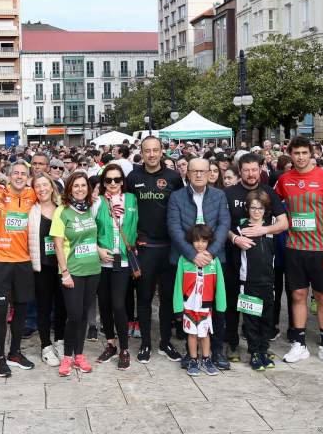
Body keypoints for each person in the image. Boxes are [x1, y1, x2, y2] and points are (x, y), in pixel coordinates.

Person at [275, 136, 323, 367]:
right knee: (297, 296)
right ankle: (300, 344)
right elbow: (273, 203)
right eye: (296, 153)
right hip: (295, 249)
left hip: (321, 250)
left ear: (312, 153)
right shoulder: (284, 180)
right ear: (290, 155)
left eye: (305, 153)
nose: (301, 157)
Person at [167, 158, 232, 369]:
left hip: (213, 259)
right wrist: (192, 254)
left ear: (209, 173)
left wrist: (210, 253)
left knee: (215, 307)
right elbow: (174, 227)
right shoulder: (177, 197)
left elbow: (224, 224)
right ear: (187, 173)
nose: (198, 175)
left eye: (202, 171)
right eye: (194, 171)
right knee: (189, 308)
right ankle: (191, 353)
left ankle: (217, 351)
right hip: (186, 260)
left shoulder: (219, 196)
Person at [126, 136, 185, 364]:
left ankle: (165, 342)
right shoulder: (133, 177)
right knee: (144, 297)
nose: (151, 154)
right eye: (147, 150)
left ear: (162, 151)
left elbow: (181, 209)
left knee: (168, 298)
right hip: (144, 247)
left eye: (155, 150)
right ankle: (145, 344)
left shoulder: (173, 177)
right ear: (141, 152)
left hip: (169, 247)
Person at [225, 153, 289, 361]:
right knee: (233, 303)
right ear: (239, 171)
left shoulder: (269, 192)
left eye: (255, 170)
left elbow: (283, 223)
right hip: (234, 257)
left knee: (261, 307)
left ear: (260, 169)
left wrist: (263, 229)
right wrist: (235, 239)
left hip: (262, 262)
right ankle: (232, 344)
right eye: (246, 170)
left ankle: (259, 345)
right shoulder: (229, 193)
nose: (251, 174)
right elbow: (221, 224)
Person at [0, 160, 38, 376]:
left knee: (21, 310)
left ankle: (15, 352)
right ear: (8, 175)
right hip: (0, 261)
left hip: (23, 262)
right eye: (15, 173)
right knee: (0, 312)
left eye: (22, 174)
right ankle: (0, 357)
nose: (18, 176)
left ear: (27, 177)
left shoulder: (32, 195)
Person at [51, 171, 101, 377]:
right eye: (76, 186)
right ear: (69, 188)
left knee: (82, 316)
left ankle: (79, 355)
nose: (80, 189)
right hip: (72, 271)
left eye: (83, 185)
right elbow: (58, 245)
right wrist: (65, 273)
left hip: (93, 269)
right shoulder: (62, 211)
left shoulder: (91, 208)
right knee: (73, 316)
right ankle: (66, 357)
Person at [91, 163, 138, 370]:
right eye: (108, 180)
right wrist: (97, 249)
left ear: (122, 181)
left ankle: (125, 348)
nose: (112, 184)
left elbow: (136, 226)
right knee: (105, 304)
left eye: (117, 179)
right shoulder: (97, 202)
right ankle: (110, 343)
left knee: (119, 304)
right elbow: (88, 230)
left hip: (124, 260)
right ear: (103, 182)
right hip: (102, 260)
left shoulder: (131, 200)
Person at [235, 191, 278, 371]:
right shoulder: (241, 227)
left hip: (268, 282)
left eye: (260, 208)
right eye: (253, 208)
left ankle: (263, 350)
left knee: (267, 318)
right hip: (248, 282)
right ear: (247, 208)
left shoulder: (271, 226)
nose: (256, 211)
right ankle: (254, 352)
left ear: (265, 209)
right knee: (251, 319)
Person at [175, 224, 225, 376]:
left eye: (204, 241)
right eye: (196, 241)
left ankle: (206, 359)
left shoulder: (214, 261)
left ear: (209, 242)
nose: (200, 244)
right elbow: (178, 284)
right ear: (191, 242)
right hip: (189, 305)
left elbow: (220, 284)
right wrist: (177, 307)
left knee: (205, 333)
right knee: (191, 334)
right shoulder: (184, 260)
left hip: (205, 305)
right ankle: (193, 359)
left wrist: (221, 305)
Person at [28, 172, 66, 367]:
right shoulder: (31, 210)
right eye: (38, 186)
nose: (42, 189)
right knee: (43, 307)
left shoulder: (62, 208)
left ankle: (60, 341)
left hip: (61, 266)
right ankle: (45, 346)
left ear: (52, 186)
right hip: (41, 267)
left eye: (45, 185)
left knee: (62, 306)